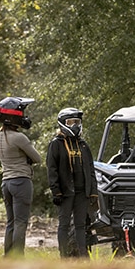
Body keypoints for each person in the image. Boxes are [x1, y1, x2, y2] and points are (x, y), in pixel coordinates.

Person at [0, 97, 42, 258]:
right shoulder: (19, 138)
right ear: (14, 117)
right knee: (21, 222)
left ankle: (7, 255)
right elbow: (38, 158)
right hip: (21, 181)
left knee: (11, 222)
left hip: (6, 182)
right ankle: (17, 256)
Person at [46, 107, 97, 259]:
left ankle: (82, 255)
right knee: (64, 225)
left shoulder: (83, 145)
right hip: (65, 193)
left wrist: (93, 191)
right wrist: (56, 191)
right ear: (62, 123)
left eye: (77, 122)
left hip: (82, 192)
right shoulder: (56, 144)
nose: (74, 125)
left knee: (81, 225)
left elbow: (91, 169)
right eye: (71, 122)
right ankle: (64, 256)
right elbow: (52, 169)